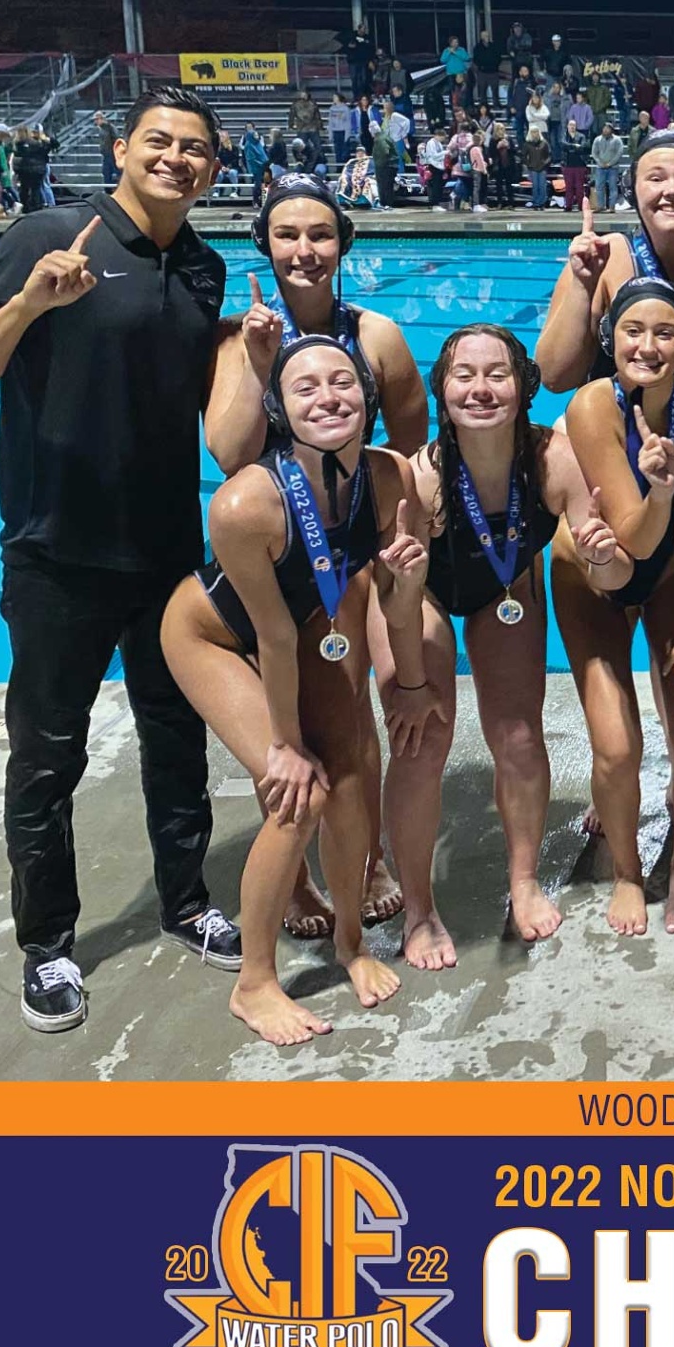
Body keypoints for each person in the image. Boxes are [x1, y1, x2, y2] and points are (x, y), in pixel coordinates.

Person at [0, 87, 240, 1033]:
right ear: (120, 148)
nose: (175, 158)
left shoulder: (206, 268)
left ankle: (187, 901)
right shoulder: (47, 236)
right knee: (46, 759)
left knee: (176, 741)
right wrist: (30, 303)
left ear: (213, 168)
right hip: (56, 552)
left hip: (165, 553)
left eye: (194, 148)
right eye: (159, 141)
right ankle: (49, 944)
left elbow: (208, 410)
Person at [162, 337, 430, 1045]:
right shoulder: (245, 503)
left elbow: (392, 603)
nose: (328, 398)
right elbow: (272, 637)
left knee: (350, 781)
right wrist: (283, 745)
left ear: (367, 395)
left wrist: (408, 595)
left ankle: (350, 945)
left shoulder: (390, 476)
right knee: (298, 793)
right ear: (279, 408)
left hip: (312, 621)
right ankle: (254, 984)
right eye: (306, 388)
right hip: (215, 635)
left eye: (342, 382)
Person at [206, 174, 427, 931]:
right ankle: (297, 876)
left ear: (344, 243)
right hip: (272, 556)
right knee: (284, 719)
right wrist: (258, 363)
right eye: (287, 235)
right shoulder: (238, 339)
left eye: (320, 234)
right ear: (264, 244)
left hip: (347, 557)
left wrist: (395, 542)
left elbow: (407, 448)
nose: (304, 249)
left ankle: (366, 861)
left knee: (351, 715)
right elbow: (229, 455)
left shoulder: (377, 337)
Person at [388, 323, 630, 963]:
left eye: (497, 374)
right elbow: (392, 601)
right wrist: (410, 683)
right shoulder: (421, 480)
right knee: (422, 739)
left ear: (523, 387)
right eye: (463, 375)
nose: (481, 388)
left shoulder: (553, 459)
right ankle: (418, 909)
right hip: (418, 597)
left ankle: (523, 882)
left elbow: (610, 575)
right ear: (441, 390)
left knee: (519, 736)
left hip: (505, 586)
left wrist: (603, 557)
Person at [547, 278, 674, 936]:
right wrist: (661, 488)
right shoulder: (592, 405)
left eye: (666, 333)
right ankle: (626, 871)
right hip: (592, 575)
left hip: (669, 571)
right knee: (618, 749)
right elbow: (632, 537)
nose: (648, 346)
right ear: (611, 338)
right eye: (633, 331)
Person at [536, 129, 674, 390]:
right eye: (656, 178)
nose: (672, 190)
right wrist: (582, 287)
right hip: (619, 416)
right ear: (632, 190)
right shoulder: (602, 258)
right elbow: (555, 379)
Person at [11, 126, 54, 213]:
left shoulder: (15, 144)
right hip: (36, 169)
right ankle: (36, 206)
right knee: (36, 189)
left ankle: (25, 207)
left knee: (24, 188)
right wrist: (46, 140)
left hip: (22, 169)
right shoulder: (34, 143)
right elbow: (45, 150)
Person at [590, 120, 625, 212]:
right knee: (599, 187)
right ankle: (600, 206)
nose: (605, 130)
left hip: (613, 167)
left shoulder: (617, 140)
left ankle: (612, 206)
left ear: (611, 130)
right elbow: (594, 153)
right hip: (600, 167)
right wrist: (600, 163)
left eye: (608, 128)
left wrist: (611, 163)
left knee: (613, 187)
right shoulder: (597, 140)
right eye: (604, 128)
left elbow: (619, 153)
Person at [562, 123, 591, 210]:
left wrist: (570, 148)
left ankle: (581, 206)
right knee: (568, 187)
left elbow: (583, 147)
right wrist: (574, 146)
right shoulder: (564, 136)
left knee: (579, 187)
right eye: (570, 125)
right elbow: (563, 145)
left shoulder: (581, 136)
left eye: (573, 125)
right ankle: (568, 206)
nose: (572, 127)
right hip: (567, 165)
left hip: (579, 165)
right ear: (567, 126)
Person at [472, 28, 503, 110]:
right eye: (485, 36)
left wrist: (495, 65)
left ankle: (496, 105)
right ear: (481, 37)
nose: (487, 37)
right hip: (482, 72)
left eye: (488, 35)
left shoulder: (494, 46)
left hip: (493, 72)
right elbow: (475, 59)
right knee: (482, 91)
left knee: (495, 90)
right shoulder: (478, 47)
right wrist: (481, 66)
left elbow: (499, 57)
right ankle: (483, 106)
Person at [442, 35, 471, 111]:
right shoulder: (446, 50)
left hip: (461, 74)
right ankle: (452, 106)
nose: (456, 44)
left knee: (463, 91)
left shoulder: (461, 50)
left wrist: (455, 52)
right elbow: (443, 60)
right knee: (452, 91)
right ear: (450, 43)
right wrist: (449, 52)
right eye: (454, 42)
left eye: (457, 42)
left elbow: (466, 58)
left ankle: (463, 106)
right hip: (451, 74)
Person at [525, 126, 552, 208]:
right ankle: (536, 202)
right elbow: (523, 155)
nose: (535, 133)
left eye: (536, 131)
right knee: (535, 186)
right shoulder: (527, 143)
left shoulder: (544, 143)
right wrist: (528, 164)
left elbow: (549, 155)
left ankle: (542, 202)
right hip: (532, 168)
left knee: (542, 186)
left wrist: (545, 163)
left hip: (542, 167)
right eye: (533, 132)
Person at [327, 93, 353, 165]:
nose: (334, 99)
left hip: (343, 131)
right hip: (335, 131)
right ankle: (338, 166)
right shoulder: (332, 108)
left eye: (335, 97)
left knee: (345, 151)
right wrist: (330, 134)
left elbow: (348, 122)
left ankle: (345, 166)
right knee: (337, 151)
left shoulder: (345, 108)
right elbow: (330, 122)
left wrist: (347, 134)